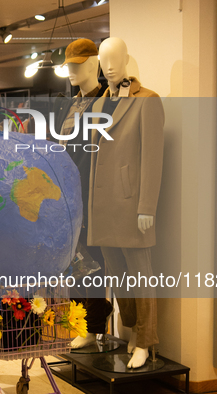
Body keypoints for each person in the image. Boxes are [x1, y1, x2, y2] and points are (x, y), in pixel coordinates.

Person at [88, 37, 165, 368]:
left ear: (127, 59)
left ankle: (146, 340)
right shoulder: (97, 105)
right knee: (119, 277)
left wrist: (146, 204)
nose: (109, 65)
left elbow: (153, 159)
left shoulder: (147, 100)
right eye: (104, 60)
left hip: (132, 205)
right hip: (103, 208)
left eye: (115, 58)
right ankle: (133, 330)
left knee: (141, 275)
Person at [53, 38, 113, 350]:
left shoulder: (106, 102)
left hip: (89, 193)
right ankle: (84, 323)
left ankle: (93, 325)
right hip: (66, 197)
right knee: (75, 262)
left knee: (94, 261)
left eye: (78, 66)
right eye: (70, 67)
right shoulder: (68, 103)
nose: (73, 72)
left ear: (94, 65)